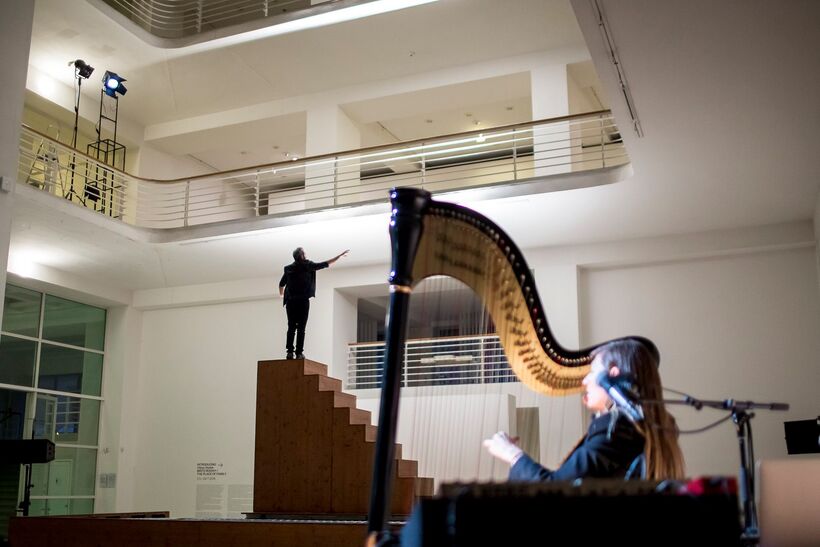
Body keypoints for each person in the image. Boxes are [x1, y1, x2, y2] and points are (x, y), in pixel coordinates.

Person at [484, 338, 685, 481]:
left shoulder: (618, 427)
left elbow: (557, 490)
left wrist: (512, 455)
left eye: (593, 373)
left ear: (613, 375)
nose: (585, 380)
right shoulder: (645, 425)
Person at [279, 247, 348, 359]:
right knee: (301, 327)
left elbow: (281, 284)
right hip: (303, 301)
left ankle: (289, 352)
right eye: (305, 253)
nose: (306, 254)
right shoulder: (308, 265)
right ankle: (299, 353)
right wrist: (338, 257)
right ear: (302, 256)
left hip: (291, 302)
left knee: (291, 327)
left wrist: (282, 295)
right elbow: (325, 264)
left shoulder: (288, 268)